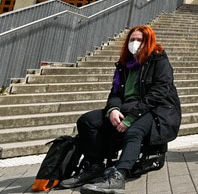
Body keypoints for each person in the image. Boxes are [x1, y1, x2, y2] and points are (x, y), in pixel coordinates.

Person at [62, 26, 181, 193]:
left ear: (148, 41)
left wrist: (130, 118)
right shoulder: (124, 64)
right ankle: (94, 166)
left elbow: (158, 92)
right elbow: (115, 92)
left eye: (139, 40)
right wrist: (113, 110)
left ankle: (119, 176)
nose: (135, 43)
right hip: (127, 107)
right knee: (87, 121)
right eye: (132, 40)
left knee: (134, 131)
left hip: (155, 109)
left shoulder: (158, 59)